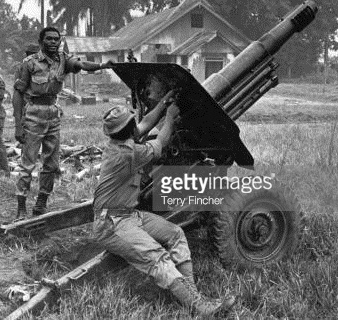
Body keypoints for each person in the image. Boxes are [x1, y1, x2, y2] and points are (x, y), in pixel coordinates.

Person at [92, 97, 236, 317]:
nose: (136, 126)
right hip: (112, 223)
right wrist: (169, 117)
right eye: (133, 124)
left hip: (129, 215)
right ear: (128, 130)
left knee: (176, 233)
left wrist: (163, 103)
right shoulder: (127, 153)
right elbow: (160, 143)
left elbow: (144, 125)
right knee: (158, 258)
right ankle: (200, 308)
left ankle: (192, 298)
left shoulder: (120, 142)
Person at [13, 26, 114, 219]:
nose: (53, 42)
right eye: (49, 39)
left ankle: (41, 203)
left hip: (53, 112)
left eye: (56, 39)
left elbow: (82, 64)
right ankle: (21, 207)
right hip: (33, 112)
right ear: (41, 41)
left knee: (51, 163)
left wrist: (102, 66)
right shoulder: (29, 63)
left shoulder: (63, 60)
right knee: (28, 163)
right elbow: (18, 93)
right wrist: (18, 124)